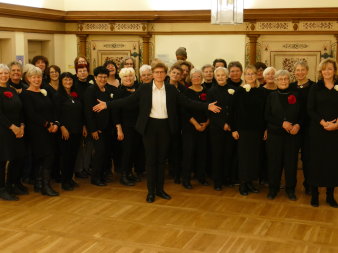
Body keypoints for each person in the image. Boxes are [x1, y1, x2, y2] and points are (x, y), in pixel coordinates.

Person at [92, 62, 221, 203]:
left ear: (165, 74)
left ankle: (160, 190)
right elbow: (127, 101)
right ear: (153, 74)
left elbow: (187, 102)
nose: (159, 75)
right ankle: (151, 191)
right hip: (149, 127)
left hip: (165, 126)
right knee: (151, 160)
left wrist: (207, 106)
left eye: (162, 72)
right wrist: (107, 105)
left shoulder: (171, 89)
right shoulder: (144, 89)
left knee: (161, 160)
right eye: (156, 72)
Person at [21, 66, 59, 196]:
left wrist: (55, 123)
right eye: (33, 77)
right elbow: (31, 114)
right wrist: (47, 124)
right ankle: (45, 186)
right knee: (45, 157)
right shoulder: (26, 94)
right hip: (37, 131)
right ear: (28, 79)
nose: (36, 79)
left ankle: (39, 184)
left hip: (49, 130)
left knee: (44, 157)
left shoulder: (44, 92)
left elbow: (52, 109)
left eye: (39, 77)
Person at [265, 70, 302, 201]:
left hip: (292, 135)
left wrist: (297, 125)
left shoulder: (296, 95)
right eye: (280, 79)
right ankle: (273, 189)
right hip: (275, 135)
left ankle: (290, 189)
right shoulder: (271, 96)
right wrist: (282, 123)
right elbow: (267, 116)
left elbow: (302, 115)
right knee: (274, 163)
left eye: (286, 79)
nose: (283, 81)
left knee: (291, 163)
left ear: (289, 80)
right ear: (275, 81)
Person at [307, 58, 338, 208]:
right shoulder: (315, 87)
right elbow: (310, 109)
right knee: (316, 162)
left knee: (332, 162)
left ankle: (330, 196)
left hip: (335, 132)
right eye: (324, 69)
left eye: (330, 69)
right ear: (321, 71)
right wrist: (323, 122)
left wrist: (337, 124)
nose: (327, 71)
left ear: (335, 71)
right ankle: (314, 194)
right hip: (317, 130)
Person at [231, 65, 266, 195]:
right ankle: (243, 184)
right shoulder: (239, 91)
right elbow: (233, 112)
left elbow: (264, 112)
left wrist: (265, 129)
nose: (250, 76)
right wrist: (234, 129)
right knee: (244, 157)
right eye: (248, 74)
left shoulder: (261, 92)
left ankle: (251, 182)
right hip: (243, 130)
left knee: (254, 157)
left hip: (257, 130)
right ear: (244, 76)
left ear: (257, 75)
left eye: (252, 74)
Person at [84, 66, 116, 186]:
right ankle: (95, 178)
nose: (102, 79)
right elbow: (88, 112)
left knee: (106, 152)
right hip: (97, 128)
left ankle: (103, 175)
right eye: (100, 77)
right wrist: (93, 129)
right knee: (99, 152)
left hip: (108, 127)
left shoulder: (108, 90)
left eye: (105, 77)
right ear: (95, 77)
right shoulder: (91, 90)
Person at [207, 67, 236, 190]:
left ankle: (226, 179)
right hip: (216, 129)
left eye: (222, 75)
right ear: (215, 77)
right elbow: (210, 112)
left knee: (228, 154)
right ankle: (217, 181)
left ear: (227, 76)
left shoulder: (234, 90)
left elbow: (235, 109)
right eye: (218, 75)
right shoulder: (211, 91)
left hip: (230, 128)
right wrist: (222, 124)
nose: (220, 77)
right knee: (217, 155)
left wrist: (230, 124)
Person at [114, 67, 144, 186]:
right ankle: (124, 175)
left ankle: (130, 173)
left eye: (130, 75)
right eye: (125, 76)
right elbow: (115, 112)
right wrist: (119, 129)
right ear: (121, 78)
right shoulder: (118, 92)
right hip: (125, 126)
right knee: (126, 151)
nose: (128, 78)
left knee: (134, 150)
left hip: (137, 126)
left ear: (134, 77)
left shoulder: (138, 89)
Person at [0, 64, 26, 200]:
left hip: (18, 129)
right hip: (3, 130)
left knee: (18, 157)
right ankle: (2, 189)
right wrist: (12, 127)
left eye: (5, 73)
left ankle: (12, 183)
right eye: (1, 73)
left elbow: (20, 109)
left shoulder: (12, 90)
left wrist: (21, 125)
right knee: (3, 160)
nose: (3, 76)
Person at [289, 61, 316, 195]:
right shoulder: (291, 86)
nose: (300, 72)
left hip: (309, 128)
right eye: (297, 70)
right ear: (294, 72)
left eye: (302, 70)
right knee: (292, 158)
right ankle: (291, 186)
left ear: (307, 71)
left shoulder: (314, 86)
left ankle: (309, 184)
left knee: (307, 158)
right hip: (293, 128)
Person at [54, 72, 83, 191]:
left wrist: (84, 126)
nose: (68, 82)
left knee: (73, 155)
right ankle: (65, 181)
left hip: (77, 129)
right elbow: (56, 113)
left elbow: (81, 112)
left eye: (70, 80)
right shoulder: (58, 96)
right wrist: (62, 127)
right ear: (61, 81)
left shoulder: (75, 94)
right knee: (66, 156)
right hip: (65, 130)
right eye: (65, 80)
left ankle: (70, 179)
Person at [181, 69, 209, 189]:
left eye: (199, 76)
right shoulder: (186, 92)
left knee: (202, 153)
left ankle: (201, 177)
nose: (196, 78)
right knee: (189, 153)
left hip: (204, 126)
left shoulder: (207, 91)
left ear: (202, 78)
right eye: (194, 76)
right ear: (190, 78)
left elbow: (211, 108)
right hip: (190, 127)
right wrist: (196, 124)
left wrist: (206, 123)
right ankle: (186, 179)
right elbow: (184, 111)